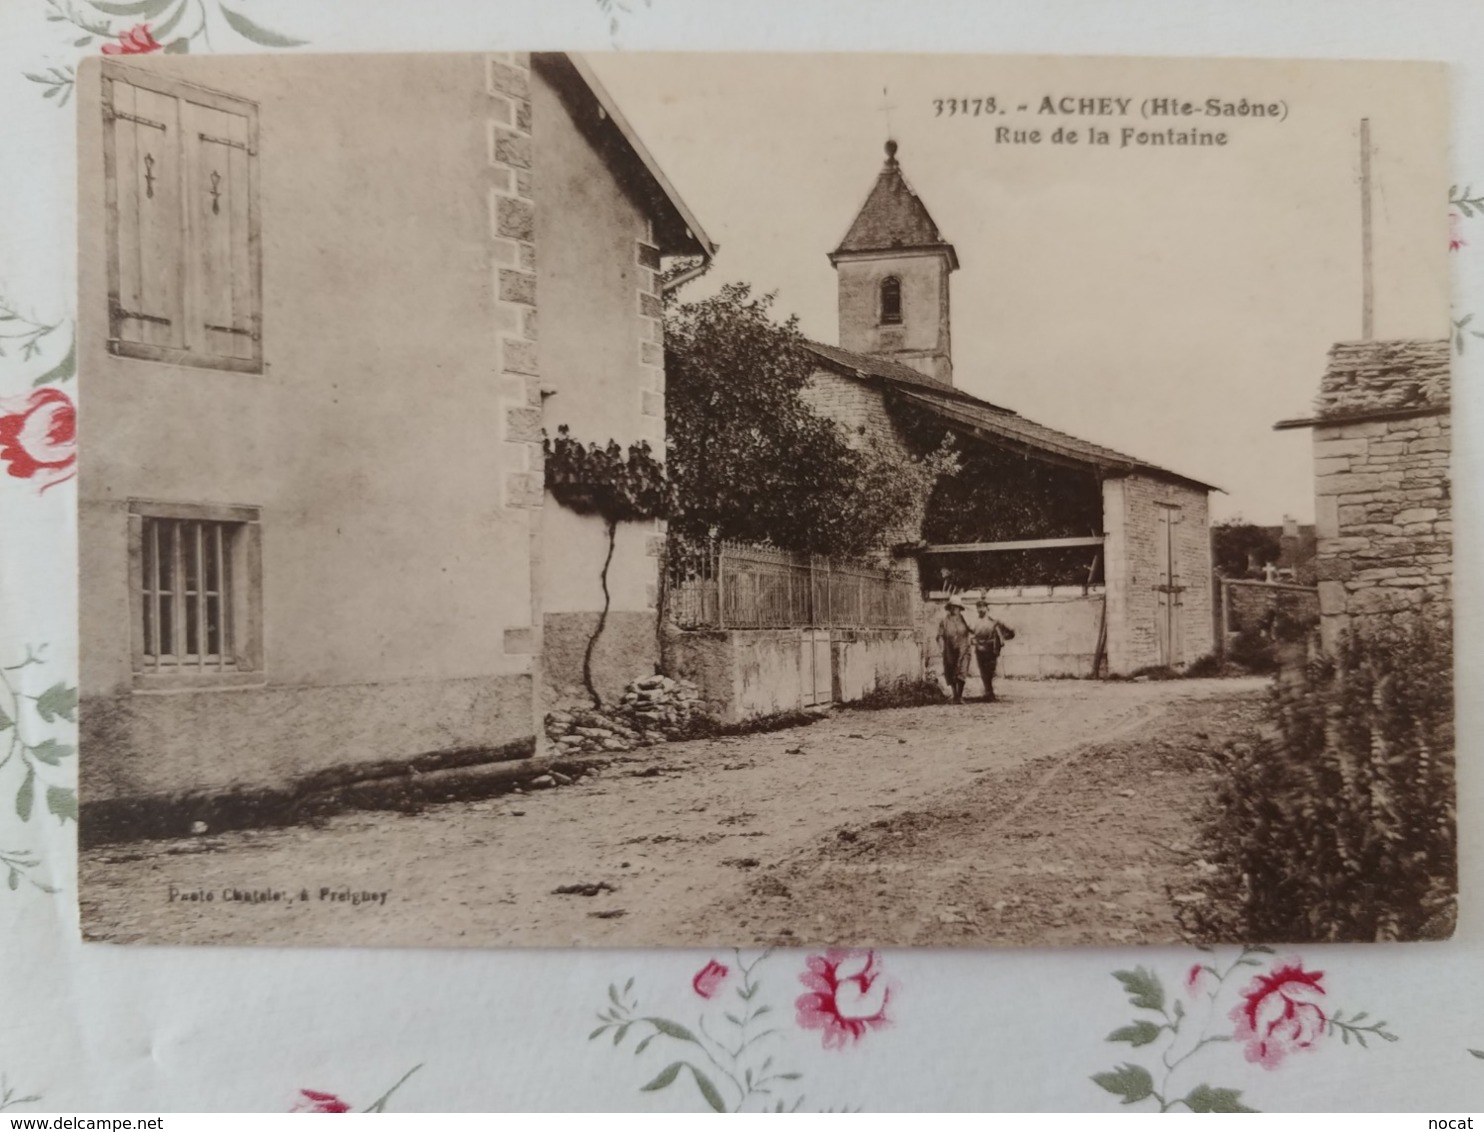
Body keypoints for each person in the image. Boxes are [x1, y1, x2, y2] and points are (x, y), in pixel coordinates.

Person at [972, 600, 1016, 702]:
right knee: (983, 671)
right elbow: (972, 635)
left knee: (990, 670)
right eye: (978, 607)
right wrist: (975, 642)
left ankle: (989, 692)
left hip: (990, 649)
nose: (980, 609)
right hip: (979, 649)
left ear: (987, 608)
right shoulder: (975, 622)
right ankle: (988, 691)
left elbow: (1010, 631)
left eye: (982, 607)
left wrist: (1002, 638)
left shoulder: (994, 621)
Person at [936, 596, 974, 704]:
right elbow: (939, 636)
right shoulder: (944, 621)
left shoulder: (965, 619)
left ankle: (960, 696)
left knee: (962, 671)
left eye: (957, 607)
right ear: (949, 608)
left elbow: (973, 630)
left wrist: (969, 621)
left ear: (960, 608)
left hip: (964, 649)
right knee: (951, 672)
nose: (954, 609)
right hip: (950, 650)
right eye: (952, 607)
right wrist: (941, 647)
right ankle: (955, 696)